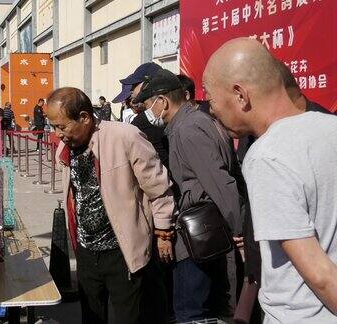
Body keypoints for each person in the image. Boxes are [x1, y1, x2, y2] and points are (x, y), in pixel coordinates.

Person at [204, 38, 337, 324]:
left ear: (240, 95)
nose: (212, 111)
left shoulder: (267, 156)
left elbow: (320, 275)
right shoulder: (331, 127)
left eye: (212, 101)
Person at [47, 87, 174, 324]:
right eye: (53, 127)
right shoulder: (67, 147)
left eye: (62, 126)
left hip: (123, 251)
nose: (57, 134)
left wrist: (163, 231)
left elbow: (158, 187)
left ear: (84, 117)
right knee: (92, 316)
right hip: (86, 251)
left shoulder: (125, 136)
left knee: (130, 317)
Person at [133, 68, 246, 322]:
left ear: (162, 101)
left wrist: (239, 230)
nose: (148, 112)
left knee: (190, 310)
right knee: (211, 307)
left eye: (149, 105)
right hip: (209, 231)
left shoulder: (187, 129)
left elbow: (219, 181)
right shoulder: (200, 120)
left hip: (199, 235)